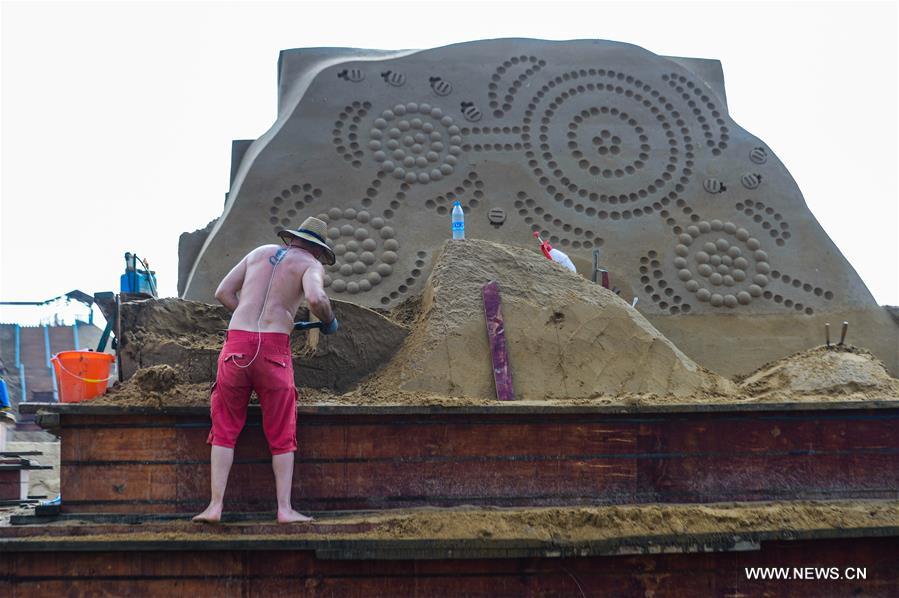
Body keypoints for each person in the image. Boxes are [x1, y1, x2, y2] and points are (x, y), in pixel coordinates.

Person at [193, 216, 339, 524]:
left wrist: (250, 316)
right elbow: (315, 298)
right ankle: (284, 510)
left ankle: (215, 507)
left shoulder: (259, 253)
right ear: (318, 249)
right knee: (281, 428)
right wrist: (327, 320)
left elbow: (223, 292)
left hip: (236, 346)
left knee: (224, 426)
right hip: (273, 352)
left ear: (293, 238)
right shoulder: (310, 265)